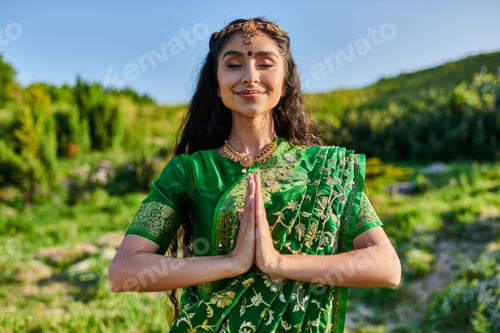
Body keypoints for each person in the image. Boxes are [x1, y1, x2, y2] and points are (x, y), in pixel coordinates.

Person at [108, 17, 401, 332]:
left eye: (265, 64)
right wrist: (231, 263)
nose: (250, 76)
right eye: (233, 65)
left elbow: (386, 266)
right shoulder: (190, 172)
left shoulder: (323, 170)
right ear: (216, 85)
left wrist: (277, 263)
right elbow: (124, 271)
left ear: (286, 80)